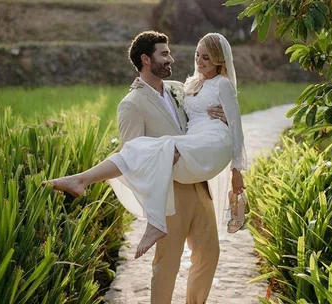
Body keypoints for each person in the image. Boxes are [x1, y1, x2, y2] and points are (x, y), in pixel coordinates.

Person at [45, 31, 247, 303]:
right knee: (167, 263)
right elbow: (133, 155)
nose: (171, 58)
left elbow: (212, 105)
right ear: (145, 59)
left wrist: (221, 115)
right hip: (171, 192)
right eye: (164, 54)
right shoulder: (132, 104)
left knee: (209, 255)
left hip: (199, 184)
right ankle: (82, 180)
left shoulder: (179, 88)